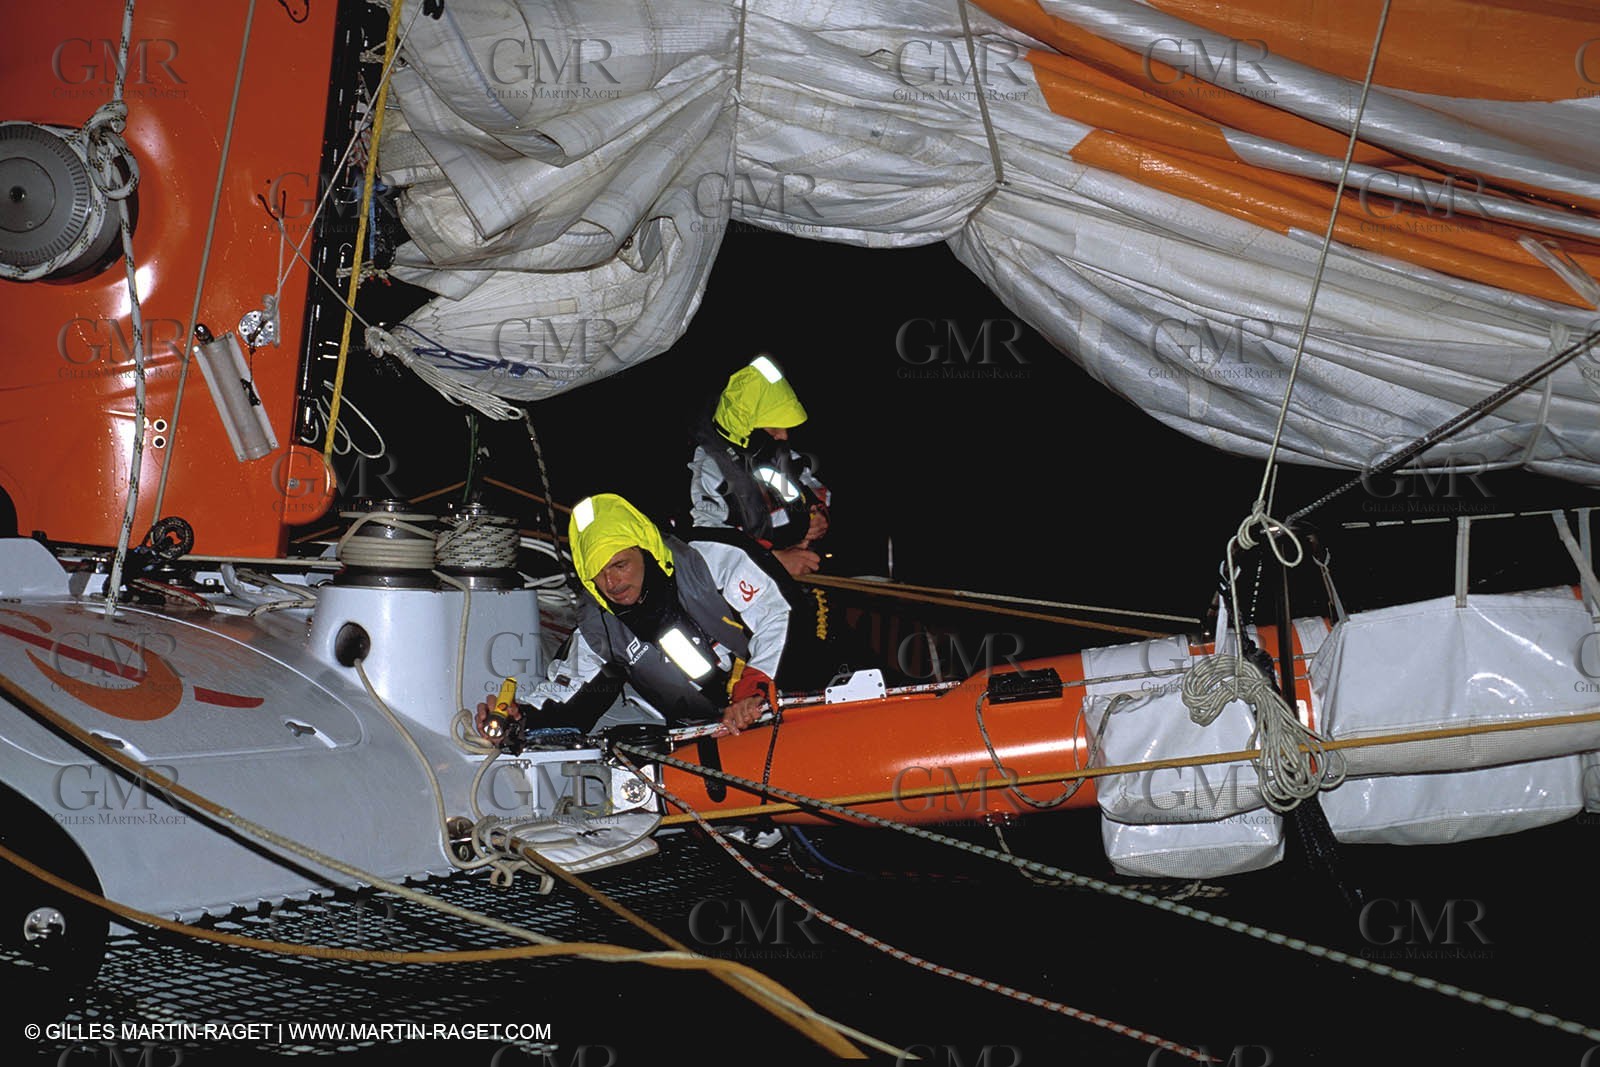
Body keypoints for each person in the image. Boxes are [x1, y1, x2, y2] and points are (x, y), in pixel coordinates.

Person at [477, 492, 852, 749]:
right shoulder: (600, 630)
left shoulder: (711, 557)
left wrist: (752, 689)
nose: (613, 583)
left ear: (644, 550)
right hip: (716, 731)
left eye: (620, 565)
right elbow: (567, 698)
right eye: (598, 576)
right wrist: (517, 719)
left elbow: (778, 615)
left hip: (794, 685)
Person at [687, 354, 831, 579]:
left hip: (794, 575)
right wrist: (774, 561)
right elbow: (704, 547)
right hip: (743, 592)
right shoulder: (707, 472)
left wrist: (817, 514)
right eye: (774, 428)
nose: (783, 436)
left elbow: (813, 486)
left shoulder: (776, 454)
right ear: (746, 429)